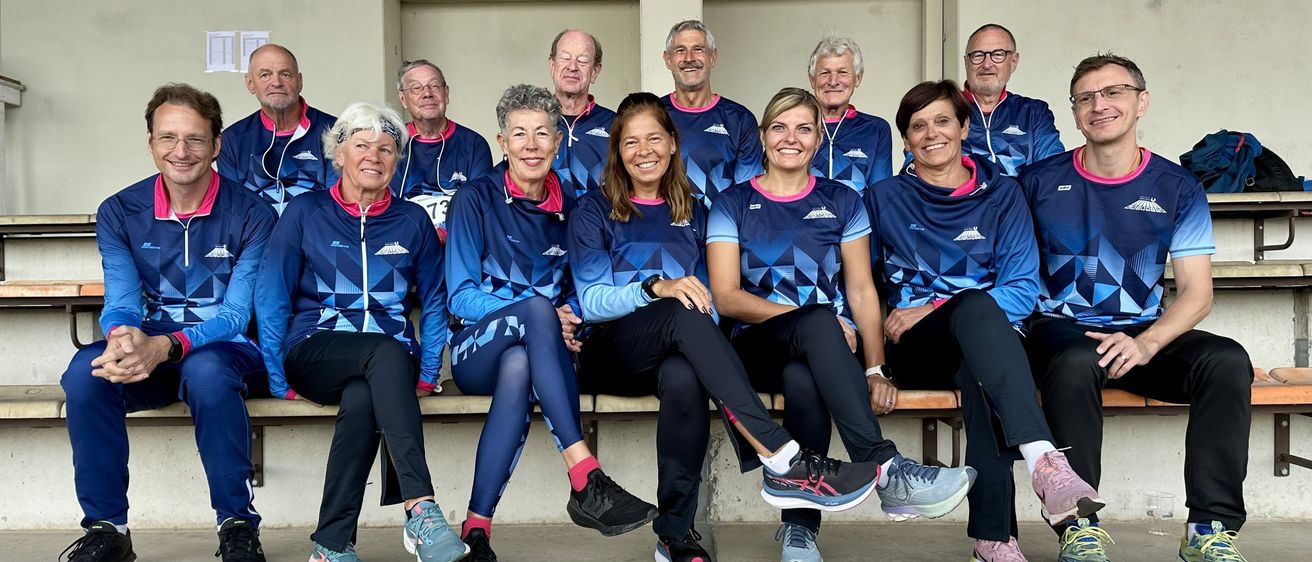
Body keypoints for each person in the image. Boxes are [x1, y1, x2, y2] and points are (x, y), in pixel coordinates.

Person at [569, 92, 889, 562]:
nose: (645, 151)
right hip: (611, 353)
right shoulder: (592, 211)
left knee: (683, 375)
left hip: (676, 348)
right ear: (617, 150)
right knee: (682, 308)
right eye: (631, 142)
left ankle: (675, 535)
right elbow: (592, 303)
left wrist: (687, 313)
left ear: (674, 144)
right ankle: (781, 456)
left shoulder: (696, 212)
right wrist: (656, 288)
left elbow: (715, 304)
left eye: (655, 138)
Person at [707, 87, 976, 562]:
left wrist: (874, 369)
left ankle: (799, 530)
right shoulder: (731, 203)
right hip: (755, 347)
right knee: (815, 327)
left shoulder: (843, 200)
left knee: (804, 379)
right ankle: (886, 467)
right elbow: (727, 297)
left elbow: (862, 292)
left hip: (826, 352)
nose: (791, 138)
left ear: (817, 140)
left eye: (804, 129)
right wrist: (817, 321)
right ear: (764, 137)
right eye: (780, 127)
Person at [1021, 54, 1253, 562]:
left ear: (1141, 101)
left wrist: (1147, 342)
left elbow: (1198, 293)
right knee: (1078, 360)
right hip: (1060, 331)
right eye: (1086, 98)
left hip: (1141, 336)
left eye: (1113, 93)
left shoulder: (1177, 187)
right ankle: (1079, 526)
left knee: (1227, 361)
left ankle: (1208, 528)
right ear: (1075, 113)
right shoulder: (1036, 182)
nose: (1099, 105)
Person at [868, 80, 1104, 562]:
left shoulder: (1003, 194)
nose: (931, 133)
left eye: (942, 121)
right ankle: (1045, 460)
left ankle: (994, 539)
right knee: (976, 309)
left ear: (964, 127)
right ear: (906, 140)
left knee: (981, 361)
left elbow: (1021, 290)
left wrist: (936, 305)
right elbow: (863, 287)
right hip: (915, 345)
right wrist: (873, 362)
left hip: (988, 344)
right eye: (917, 126)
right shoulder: (883, 197)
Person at [59, 83, 275, 562]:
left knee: (206, 371)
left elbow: (238, 315)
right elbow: (120, 300)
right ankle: (107, 530)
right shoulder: (120, 211)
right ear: (151, 143)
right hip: (152, 351)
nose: (182, 151)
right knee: (85, 373)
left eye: (196, 139)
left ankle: (237, 523)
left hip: (231, 350)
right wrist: (123, 338)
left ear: (216, 146)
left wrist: (166, 346)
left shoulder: (253, 213)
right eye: (168, 138)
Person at [444, 84, 657, 562]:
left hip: (546, 347)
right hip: (473, 349)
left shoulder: (580, 205)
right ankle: (584, 474)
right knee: (534, 313)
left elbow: (585, 289)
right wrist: (529, 315)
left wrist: (569, 320)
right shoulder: (474, 199)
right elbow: (460, 295)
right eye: (519, 134)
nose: (531, 144)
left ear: (559, 142)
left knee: (521, 362)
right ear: (502, 142)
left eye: (542, 133)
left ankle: (477, 528)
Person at [255, 102, 466, 562]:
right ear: (339, 154)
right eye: (362, 144)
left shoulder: (413, 221)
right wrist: (277, 378)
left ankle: (331, 545)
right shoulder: (305, 213)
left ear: (397, 160)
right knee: (384, 354)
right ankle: (420, 507)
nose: (374, 156)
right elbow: (271, 294)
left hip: (384, 363)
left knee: (365, 395)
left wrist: (429, 371)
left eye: (387, 148)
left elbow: (434, 300)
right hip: (315, 348)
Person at [219, 44, 338, 214]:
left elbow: (337, 204)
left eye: (285, 74)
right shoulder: (232, 140)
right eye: (265, 75)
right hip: (256, 236)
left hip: (314, 234)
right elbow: (233, 209)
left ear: (299, 82)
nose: (276, 82)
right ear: (250, 83)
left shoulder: (334, 131)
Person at [661, 20, 762, 206]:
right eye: (680, 50)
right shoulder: (653, 115)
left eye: (698, 49)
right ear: (668, 59)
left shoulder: (740, 119)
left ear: (712, 57)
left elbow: (749, 196)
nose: (689, 58)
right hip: (664, 232)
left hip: (720, 233)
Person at [392, 58, 493, 241]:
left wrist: (444, 234)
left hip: (456, 242)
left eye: (435, 86)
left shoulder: (474, 144)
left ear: (446, 93)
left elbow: (481, 206)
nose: (427, 94)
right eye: (416, 88)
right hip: (405, 242)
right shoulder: (392, 143)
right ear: (403, 99)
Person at [959, 24, 1063, 176]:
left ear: (1013, 62)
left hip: (1021, 199)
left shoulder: (1034, 113)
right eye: (978, 55)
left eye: (998, 54)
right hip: (962, 199)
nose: (987, 64)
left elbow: (1053, 172)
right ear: (966, 62)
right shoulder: (944, 111)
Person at [807, 35, 892, 192]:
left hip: (856, 216)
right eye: (825, 73)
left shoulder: (876, 129)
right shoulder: (795, 127)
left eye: (843, 72)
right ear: (812, 79)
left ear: (857, 78)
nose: (833, 81)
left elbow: (881, 195)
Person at [548, 29, 616, 199]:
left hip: (597, 224)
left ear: (595, 71)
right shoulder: (532, 122)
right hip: (541, 224)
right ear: (552, 65)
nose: (572, 67)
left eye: (583, 61)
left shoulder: (616, 124)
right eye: (565, 58)